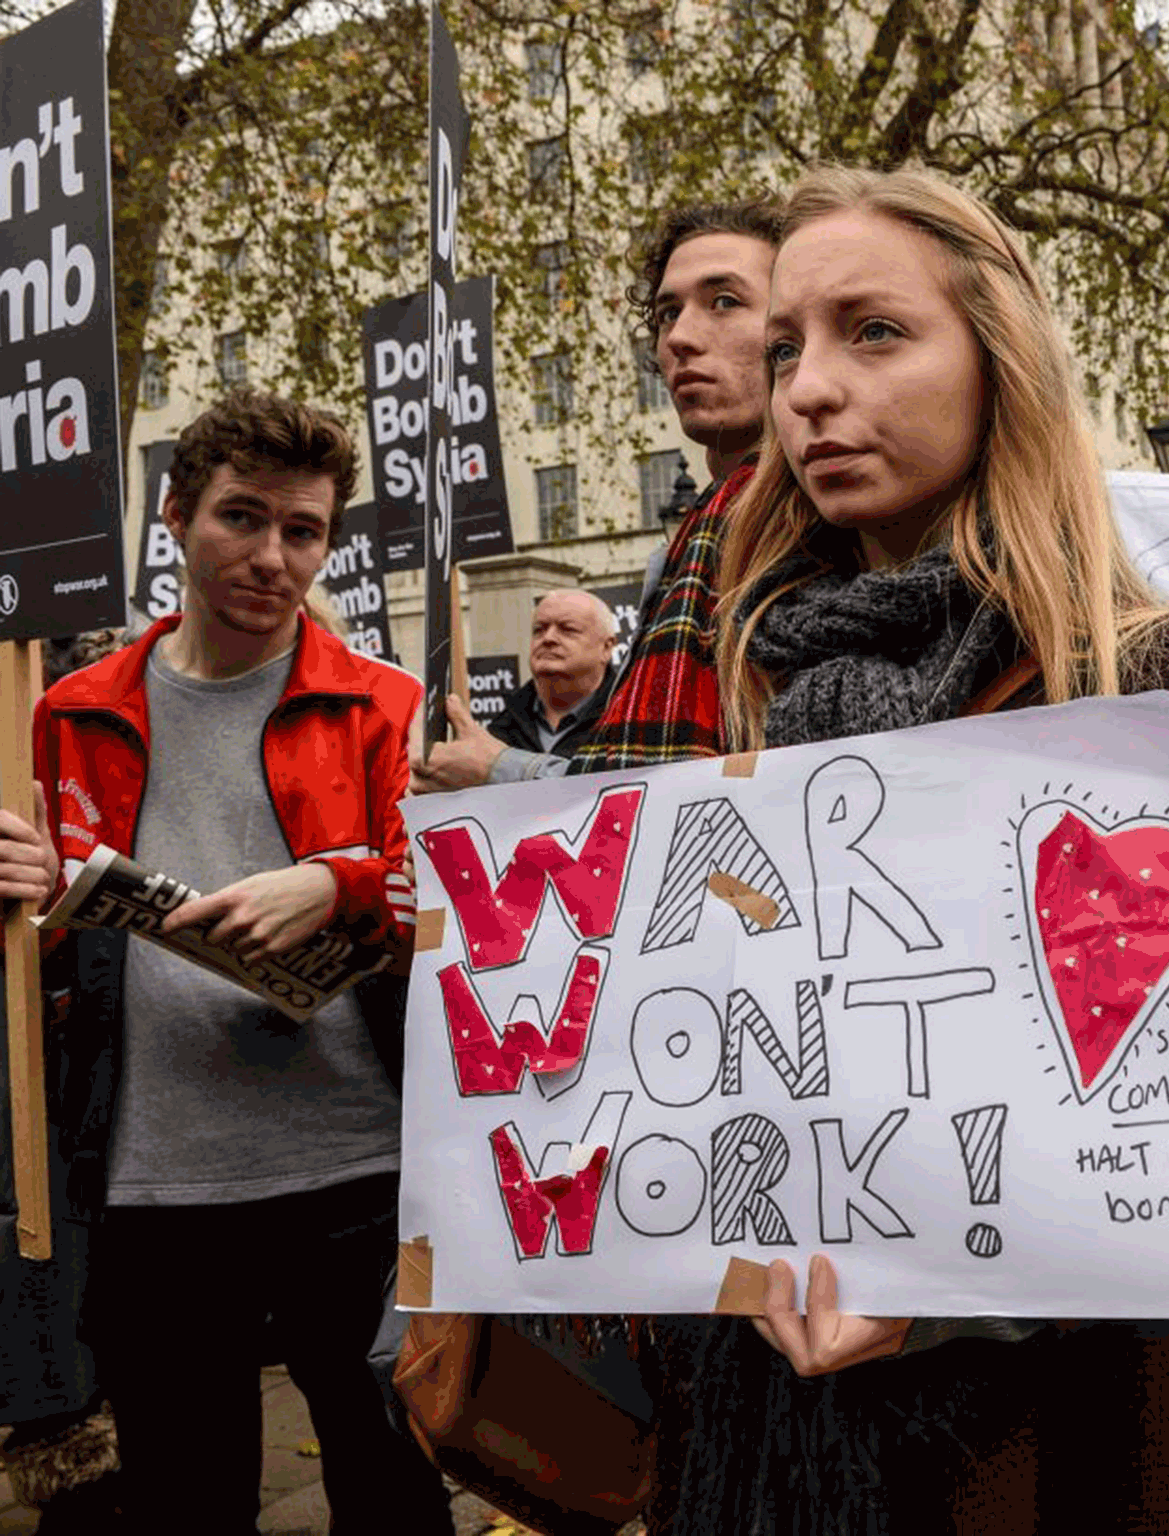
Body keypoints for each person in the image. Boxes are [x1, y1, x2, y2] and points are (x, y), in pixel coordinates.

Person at [640, 164, 1169, 1535]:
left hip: (1097, 1436)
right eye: (789, 344)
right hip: (801, 1454)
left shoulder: (1139, 676)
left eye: (874, 332)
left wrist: (958, 1282)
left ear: (1000, 367)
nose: (807, 389)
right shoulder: (763, 703)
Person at [18, 388, 453, 1534]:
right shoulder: (67, 711)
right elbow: (47, 947)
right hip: (151, 1183)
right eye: (241, 518)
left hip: (359, 1174)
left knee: (390, 1485)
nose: (271, 556)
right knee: (185, 1496)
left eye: (301, 531)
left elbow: (451, 911)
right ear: (175, 514)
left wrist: (342, 879)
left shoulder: (384, 705)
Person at [411, 196, 781, 792]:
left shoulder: (808, 510)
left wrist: (496, 771)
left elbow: (681, 787)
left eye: (725, 302)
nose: (681, 336)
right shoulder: (711, 520)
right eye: (666, 314)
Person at [481, 588, 620, 767]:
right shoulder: (503, 726)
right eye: (539, 630)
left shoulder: (634, 722)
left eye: (568, 629)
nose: (548, 638)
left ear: (606, 648)